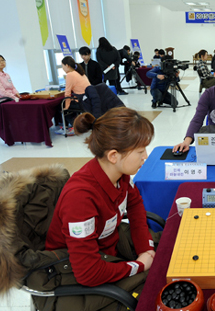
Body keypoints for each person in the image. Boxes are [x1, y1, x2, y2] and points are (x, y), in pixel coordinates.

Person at [45, 107, 157, 309]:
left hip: (107, 248)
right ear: (113, 155)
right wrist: (139, 265)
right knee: (156, 287)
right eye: (140, 151)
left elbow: (135, 205)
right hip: (76, 269)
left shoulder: (118, 174)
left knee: (162, 253)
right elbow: (88, 272)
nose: (146, 156)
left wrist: (145, 249)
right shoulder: (80, 198)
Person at [60, 56, 90, 135]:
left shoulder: (70, 75)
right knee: (70, 102)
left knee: (62, 106)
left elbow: (67, 93)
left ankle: (73, 126)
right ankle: (73, 125)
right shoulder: (80, 72)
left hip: (81, 102)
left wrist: (66, 106)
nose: (62, 68)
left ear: (67, 65)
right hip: (88, 100)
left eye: (62, 66)